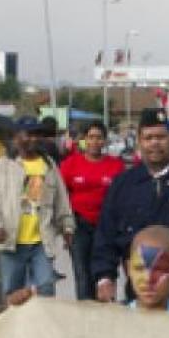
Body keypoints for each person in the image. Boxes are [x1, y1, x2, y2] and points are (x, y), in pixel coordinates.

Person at [93, 112, 169, 313]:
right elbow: (105, 236)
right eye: (148, 138)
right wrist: (104, 277)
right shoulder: (123, 185)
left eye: (161, 137)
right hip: (142, 292)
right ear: (139, 142)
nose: (155, 143)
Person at [0, 119, 74, 300]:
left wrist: (67, 226)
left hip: (41, 241)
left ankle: (41, 328)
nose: (33, 139)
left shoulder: (48, 165)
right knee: (13, 294)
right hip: (12, 240)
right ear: (17, 137)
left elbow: (61, 197)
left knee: (46, 289)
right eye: (29, 134)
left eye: (37, 134)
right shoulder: (4, 165)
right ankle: (16, 329)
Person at [61, 122, 124, 298]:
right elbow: (61, 197)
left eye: (99, 137)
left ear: (105, 141)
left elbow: (121, 198)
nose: (95, 142)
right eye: (91, 137)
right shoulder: (70, 164)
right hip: (79, 225)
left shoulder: (115, 166)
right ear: (84, 140)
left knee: (105, 273)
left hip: (106, 227)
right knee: (83, 274)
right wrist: (65, 227)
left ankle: (105, 314)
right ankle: (84, 317)